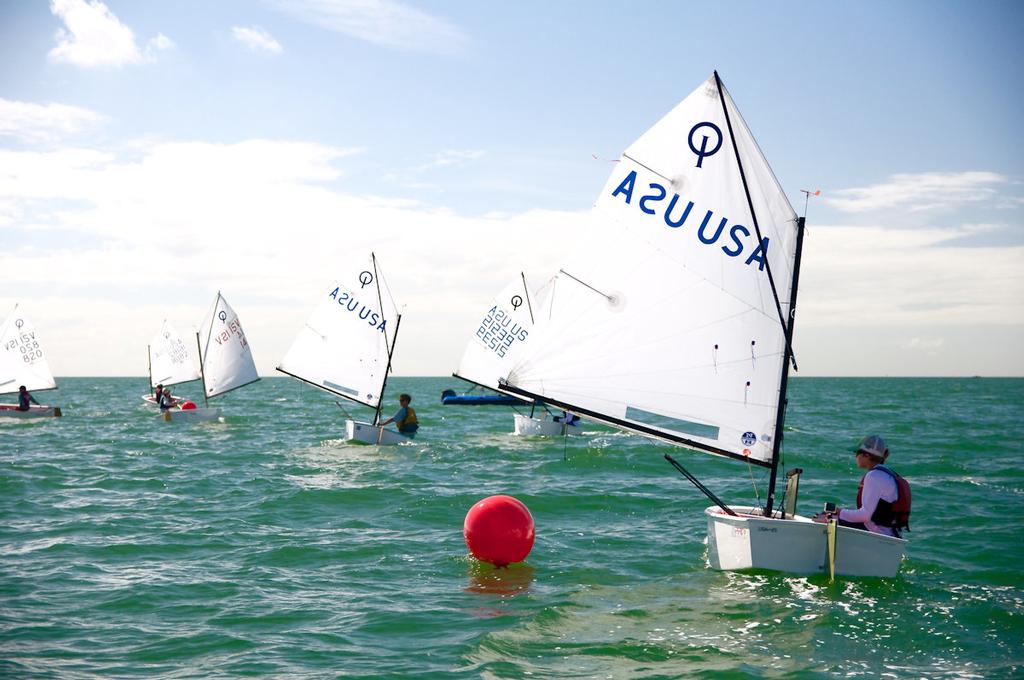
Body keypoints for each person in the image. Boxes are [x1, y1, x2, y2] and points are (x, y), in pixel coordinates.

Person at [813, 435, 912, 537]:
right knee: (832, 516)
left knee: (822, 517)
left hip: (877, 532)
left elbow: (865, 516)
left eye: (857, 453)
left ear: (867, 455)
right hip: (891, 533)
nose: (855, 456)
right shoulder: (887, 474)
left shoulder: (874, 476)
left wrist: (840, 512)